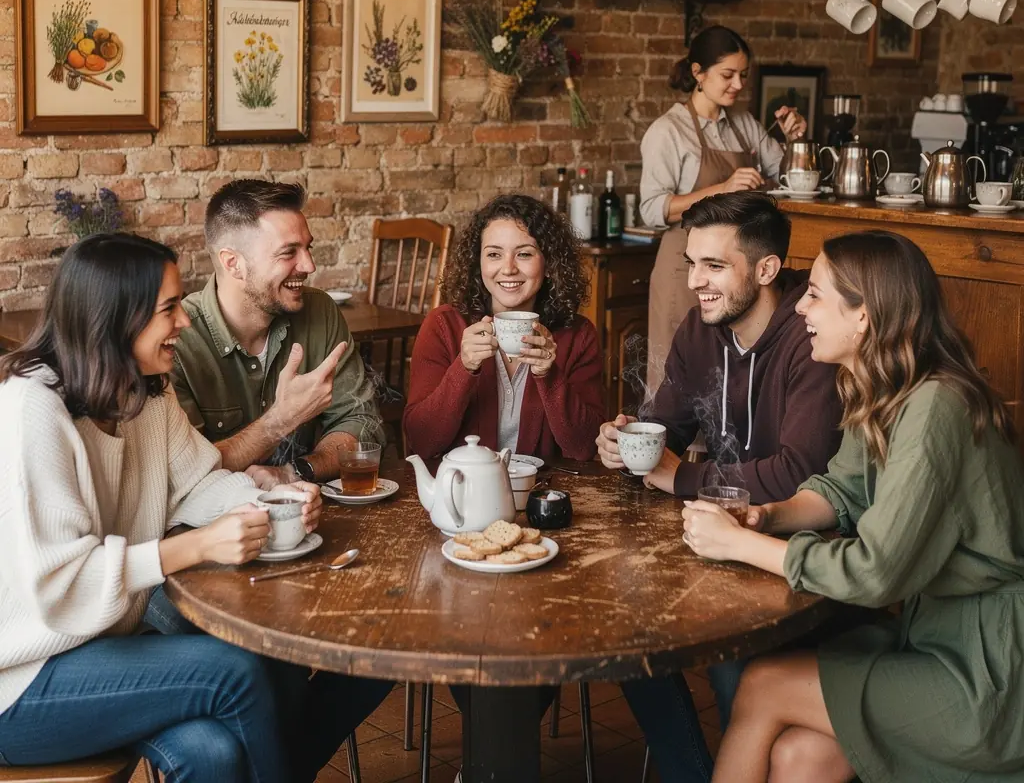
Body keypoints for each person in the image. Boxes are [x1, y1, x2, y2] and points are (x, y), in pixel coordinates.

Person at [0, 233, 367, 781]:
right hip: (24, 678)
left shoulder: (145, 390)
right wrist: (192, 546)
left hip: (103, 646)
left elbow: (197, 481)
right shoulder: (33, 409)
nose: (185, 322)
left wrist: (271, 499)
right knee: (236, 670)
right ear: (115, 318)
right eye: (169, 308)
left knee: (212, 752)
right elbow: (61, 585)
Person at [681, 230, 1024, 783]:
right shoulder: (890, 385)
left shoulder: (937, 406)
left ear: (863, 315)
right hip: (932, 637)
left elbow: (875, 572)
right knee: (801, 755)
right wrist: (769, 517)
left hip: (989, 674)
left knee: (763, 683)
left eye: (814, 293)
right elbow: (840, 490)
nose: (799, 306)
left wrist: (744, 545)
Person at [595, 192, 844, 783]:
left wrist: (681, 476)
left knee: (733, 665)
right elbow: (670, 423)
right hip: (721, 538)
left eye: (713, 267)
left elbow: (797, 472)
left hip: (800, 549)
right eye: (691, 263)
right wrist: (631, 437)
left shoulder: (814, 339)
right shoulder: (701, 329)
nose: (695, 282)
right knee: (633, 625)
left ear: (765, 270)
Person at [171, 179, 383, 489]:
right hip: (213, 529)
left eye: (307, 247)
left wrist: (297, 471)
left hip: (310, 511)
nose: (309, 265)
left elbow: (362, 423)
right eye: (288, 253)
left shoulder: (320, 311)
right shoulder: (177, 340)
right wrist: (280, 420)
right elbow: (181, 475)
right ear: (234, 264)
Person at [640, 26, 807, 390]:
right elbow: (652, 208)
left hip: (735, 271)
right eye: (727, 75)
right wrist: (722, 187)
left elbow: (789, 180)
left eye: (743, 75)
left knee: (727, 382)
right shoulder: (668, 131)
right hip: (685, 269)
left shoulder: (745, 125)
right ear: (698, 73)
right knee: (680, 380)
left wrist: (796, 141)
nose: (738, 84)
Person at [404, 193, 603, 461]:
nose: (508, 269)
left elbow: (586, 448)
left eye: (524, 254)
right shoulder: (443, 326)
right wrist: (464, 367)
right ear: (479, 263)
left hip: (542, 494)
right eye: (494, 254)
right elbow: (421, 441)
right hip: (464, 492)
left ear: (548, 263)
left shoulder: (578, 335)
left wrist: (549, 375)